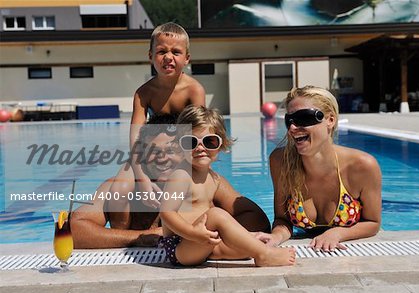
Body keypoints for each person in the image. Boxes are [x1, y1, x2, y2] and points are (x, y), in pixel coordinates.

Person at [71, 114, 271, 249]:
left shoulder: (205, 182)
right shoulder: (120, 186)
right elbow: (73, 229)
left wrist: (211, 236)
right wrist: (141, 237)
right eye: (154, 151)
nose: (162, 158)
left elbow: (258, 219)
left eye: (171, 151)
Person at [159, 105, 296, 266]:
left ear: (221, 144)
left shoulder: (213, 178)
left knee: (246, 246)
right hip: (181, 245)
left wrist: (243, 235)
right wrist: (192, 233)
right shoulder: (180, 175)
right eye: (191, 142)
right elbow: (166, 212)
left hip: (203, 242)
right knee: (216, 214)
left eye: (209, 141)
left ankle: (256, 248)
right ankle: (264, 255)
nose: (200, 148)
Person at [256, 86, 382, 252]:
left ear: (330, 120)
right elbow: (282, 219)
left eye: (303, 117)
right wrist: (276, 236)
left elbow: (373, 223)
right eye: (290, 120)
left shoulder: (362, 166)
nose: (293, 128)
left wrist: (337, 233)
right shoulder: (281, 161)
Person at [108, 22, 205, 227]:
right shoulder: (144, 93)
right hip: (150, 154)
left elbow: (200, 135)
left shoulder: (194, 90)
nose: (168, 57)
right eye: (161, 51)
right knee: (118, 190)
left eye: (176, 52)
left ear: (187, 58)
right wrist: (142, 179)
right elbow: (135, 138)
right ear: (150, 56)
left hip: (183, 153)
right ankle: (123, 239)